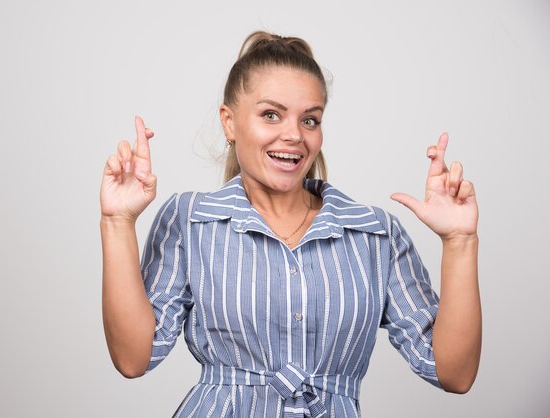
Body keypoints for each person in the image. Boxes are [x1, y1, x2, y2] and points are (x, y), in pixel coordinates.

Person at [99, 31, 481, 418]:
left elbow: (455, 373)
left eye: (310, 120)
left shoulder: (373, 234)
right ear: (229, 123)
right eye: (271, 114)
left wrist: (460, 240)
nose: (294, 135)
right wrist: (117, 221)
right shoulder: (190, 221)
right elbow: (134, 358)